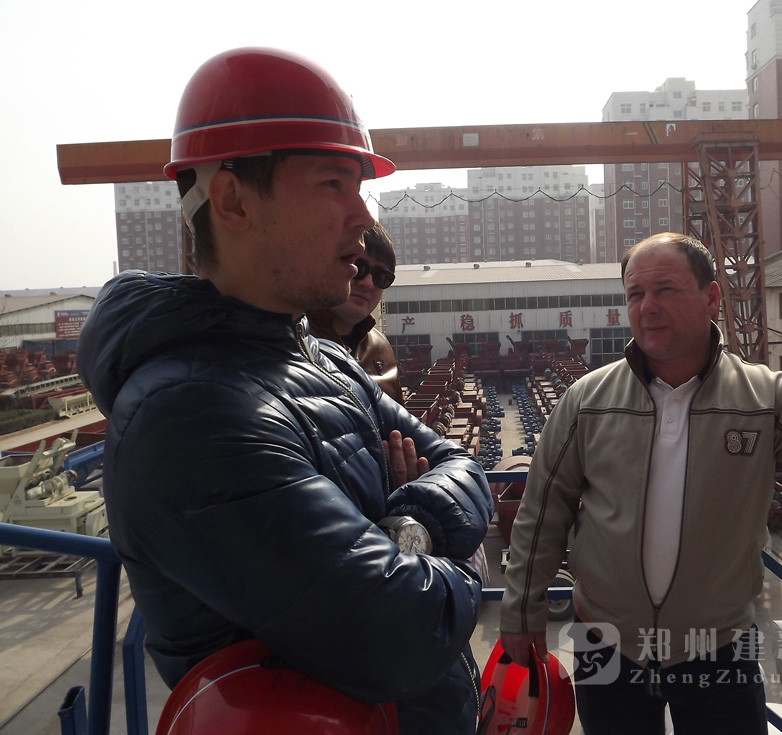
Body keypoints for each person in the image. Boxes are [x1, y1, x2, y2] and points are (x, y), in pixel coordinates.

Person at [76, 47, 492, 735]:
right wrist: (458, 547)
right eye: (333, 183)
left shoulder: (323, 359)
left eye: (359, 186)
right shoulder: (187, 417)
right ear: (233, 200)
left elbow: (460, 463)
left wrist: (411, 525)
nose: (363, 217)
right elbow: (404, 633)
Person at [498, 232, 782, 735]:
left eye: (666, 290)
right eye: (635, 294)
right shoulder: (588, 400)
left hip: (718, 644)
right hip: (605, 641)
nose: (648, 307)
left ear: (711, 297)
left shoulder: (767, 399)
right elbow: (542, 511)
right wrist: (520, 612)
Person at [309, 222, 403, 403]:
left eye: (381, 276)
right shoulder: (291, 342)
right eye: (358, 266)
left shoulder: (380, 346)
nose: (367, 283)